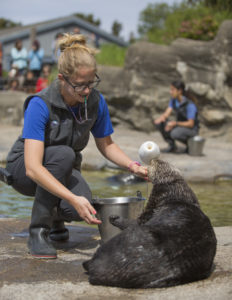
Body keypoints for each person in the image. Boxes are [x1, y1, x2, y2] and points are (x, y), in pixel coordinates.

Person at [6, 33, 147, 259]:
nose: (87, 91)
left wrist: (133, 166)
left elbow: (107, 144)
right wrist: (71, 196)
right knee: (63, 155)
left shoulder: (95, 102)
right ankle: (38, 232)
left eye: (91, 83)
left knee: (82, 207)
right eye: (80, 85)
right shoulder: (39, 104)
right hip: (23, 169)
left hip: (62, 167)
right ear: (62, 79)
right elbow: (33, 167)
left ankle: (56, 221)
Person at [154, 81, 199, 153]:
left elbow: (191, 124)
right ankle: (172, 146)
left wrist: (175, 123)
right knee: (161, 123)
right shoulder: (174, 100)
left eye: (172, 90)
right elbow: (167, 113)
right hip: (180, 126)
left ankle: (190, 145)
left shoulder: (190, 105)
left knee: (175, 133)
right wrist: (161, 118)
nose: (170, 92)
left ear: (179, 91)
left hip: (191, 130)